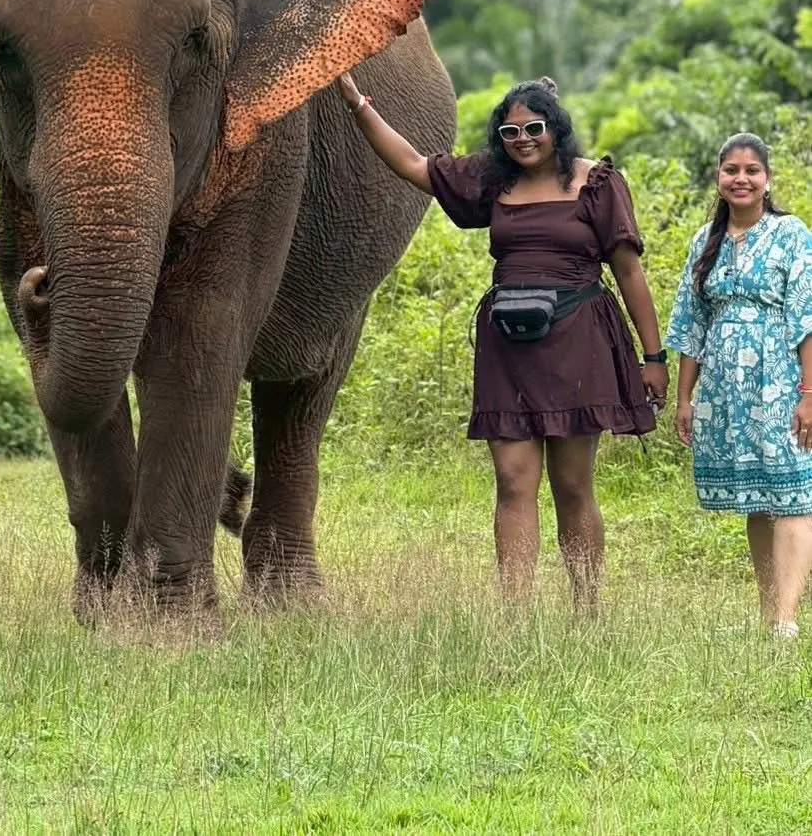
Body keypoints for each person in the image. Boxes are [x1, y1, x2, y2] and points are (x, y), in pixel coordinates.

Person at [335, 72, 666, 612]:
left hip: (578, 341)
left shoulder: (597, 183)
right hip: (509, 348)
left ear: (556, 129)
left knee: (573, 483)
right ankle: (516, 617)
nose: (523, 140)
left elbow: (629, 273)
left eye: (534, 128)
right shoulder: (493, 180)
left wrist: (653, 358)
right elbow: (415, 166)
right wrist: (359, 105)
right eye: (510, 133)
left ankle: (587, 610)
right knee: (513, 481)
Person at [666, 133, 812, 639]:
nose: (741, 178)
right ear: (719, 178)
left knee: (793, 493)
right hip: (726, 388)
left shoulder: (791, 234)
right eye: (732, 170)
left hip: (781, 380)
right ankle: (768, 612)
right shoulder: (705, 239)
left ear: (767, 179)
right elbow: (691, 324)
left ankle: (787, 620)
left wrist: (808, 395)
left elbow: (806, 318)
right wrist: (685, 397)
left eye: (752, 170)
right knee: (756, 498)